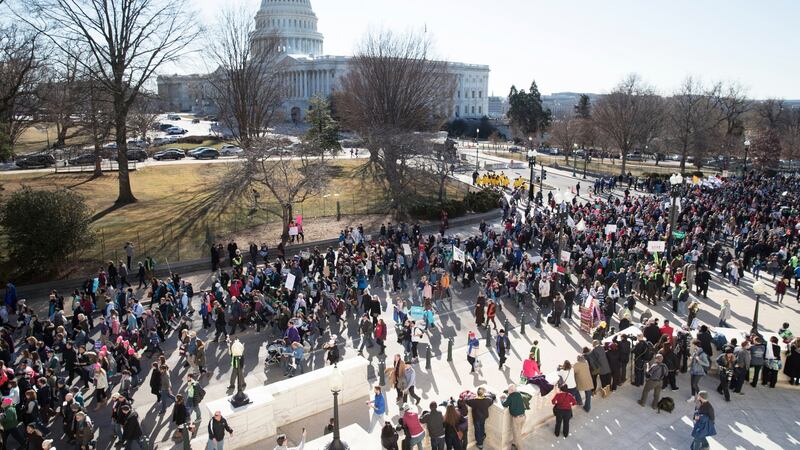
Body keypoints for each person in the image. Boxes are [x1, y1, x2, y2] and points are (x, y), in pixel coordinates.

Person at [500, 384, 525, 450]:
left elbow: (505, 404)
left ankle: (520, 448)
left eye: (509, 389)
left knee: (517, 436)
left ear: (511, 390)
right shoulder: (518, 394)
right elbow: (514, 400)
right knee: (518, 432)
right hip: (523, 417)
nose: (508, 390)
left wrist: (502, 399)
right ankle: (514, 444)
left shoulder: (510, 396)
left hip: (517, 418)